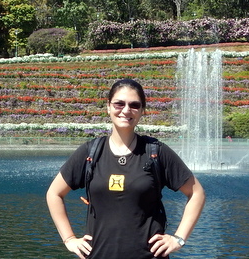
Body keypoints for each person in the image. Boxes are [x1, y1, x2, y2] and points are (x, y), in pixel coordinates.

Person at [46, 79, 205, 259]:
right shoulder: (90, 151)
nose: (126, 110)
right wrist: (69, 239)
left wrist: (179, 238)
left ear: (142, 111)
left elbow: (196, 193)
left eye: (134, 105)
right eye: (119, 103)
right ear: (108, 107)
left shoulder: (155, 151)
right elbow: (54, 194)